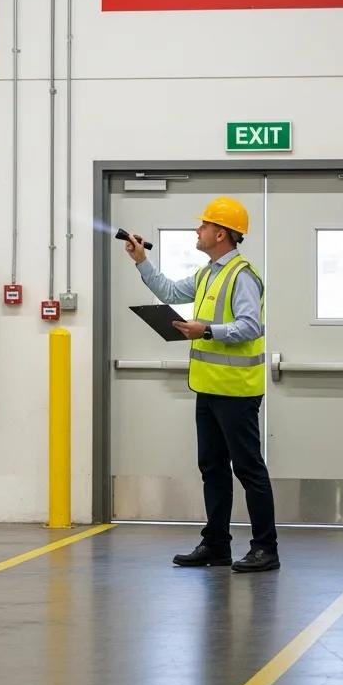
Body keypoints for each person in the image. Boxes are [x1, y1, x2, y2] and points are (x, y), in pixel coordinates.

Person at [125, 196, 279, 573]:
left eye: (204, 225)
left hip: (237, 391)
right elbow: (172, 293)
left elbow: (250, 326)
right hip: (209, 388)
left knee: (248, 469)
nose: (198, 229)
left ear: (221, 233)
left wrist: (205, 329)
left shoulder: (242, 275)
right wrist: (141, 261)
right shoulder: (208, 272)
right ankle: (216, 545)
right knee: (212, 467)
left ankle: (266, 548)